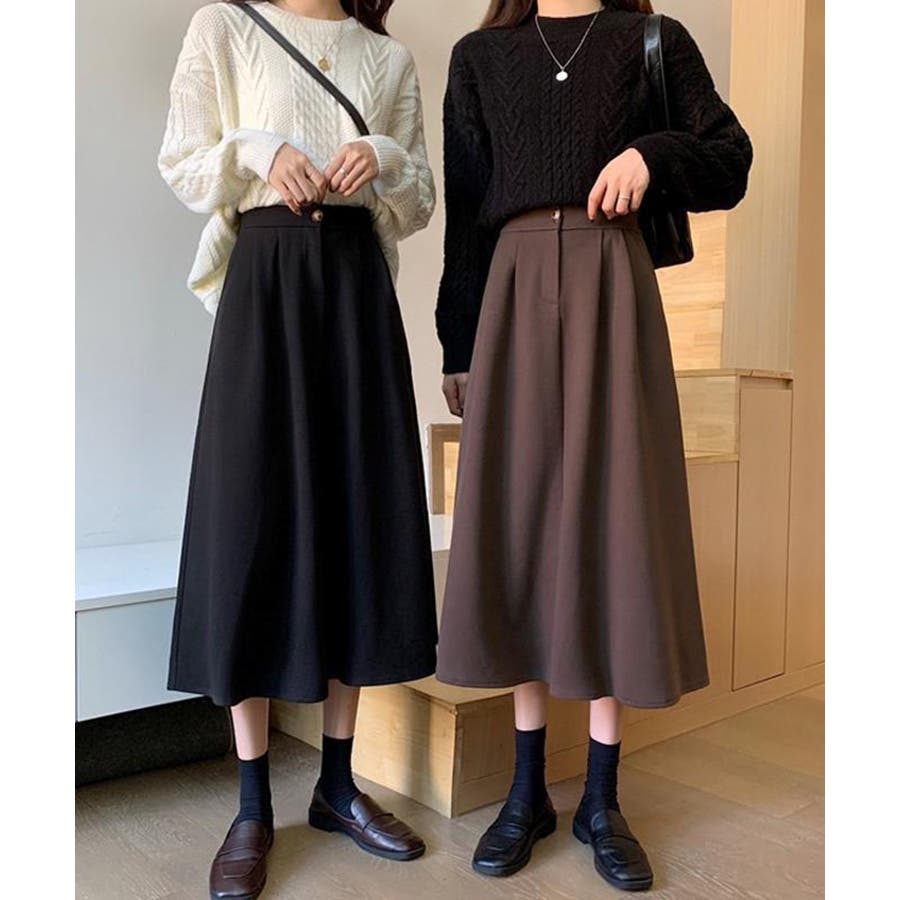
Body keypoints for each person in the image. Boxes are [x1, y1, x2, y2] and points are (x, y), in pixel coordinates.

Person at [434, 0, 752, 891]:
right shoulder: (480, 57)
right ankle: (526, 790)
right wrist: (459, 343)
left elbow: (730, 158)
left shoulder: (652, 39)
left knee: (617, 525)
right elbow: (466, 211)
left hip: (616, 286)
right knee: (521, 528)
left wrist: (652, 155)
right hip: (510, 291)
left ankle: (603, 800)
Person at [158, 1, 437, 897]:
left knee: (358, 514)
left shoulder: (385, 56)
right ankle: (251, 804)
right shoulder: (223, 27)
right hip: (266, 277)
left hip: (355, 291)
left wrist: (383, 158)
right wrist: (258, 149)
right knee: (246, 523)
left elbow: (420, 199)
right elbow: (182, 160)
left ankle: (336, 786)